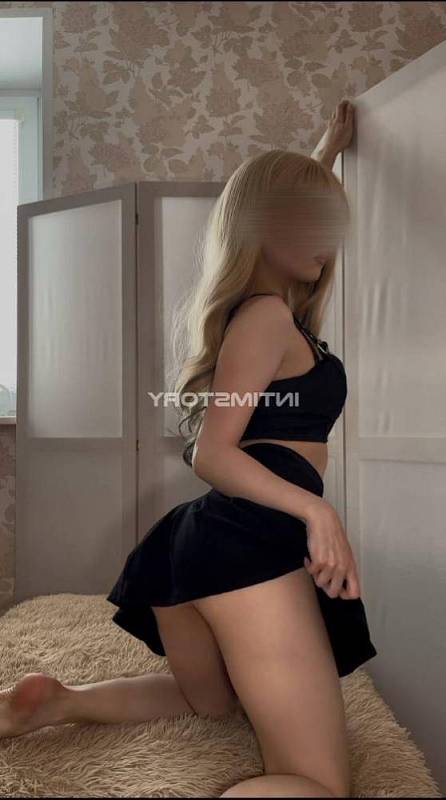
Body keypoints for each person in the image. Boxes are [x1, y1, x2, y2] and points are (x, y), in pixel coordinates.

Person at [0, 100, 377, 798]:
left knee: (210, 700)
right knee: (318, 783)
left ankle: (59, 702)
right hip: (248, 544)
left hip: (203, 545)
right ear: (263, 226)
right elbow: (212, 453)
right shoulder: (266, 316)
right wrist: (319, 513)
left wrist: (323, 153)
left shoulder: (270, 314)